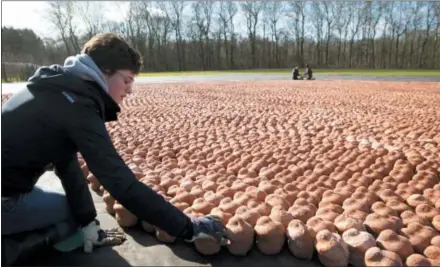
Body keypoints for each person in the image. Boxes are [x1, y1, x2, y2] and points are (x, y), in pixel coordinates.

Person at [1, 33, 228, 265]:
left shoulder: (56, 87)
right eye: (127, 80)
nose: (130, 90)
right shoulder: (77, 107)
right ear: (105, 71)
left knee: (78, 211)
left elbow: (66, 163)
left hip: (9, 186)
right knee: (70, 215)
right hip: (5, 200)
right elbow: (120, 183)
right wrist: (189, 227)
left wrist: (87, 220)